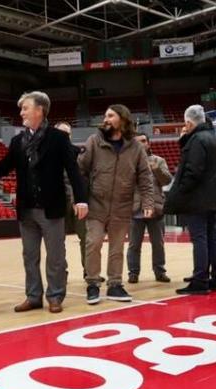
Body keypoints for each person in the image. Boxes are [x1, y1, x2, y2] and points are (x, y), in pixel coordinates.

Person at [0, 92, 88, 314]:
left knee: (55, 256)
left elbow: (73, 171)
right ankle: (33, 296)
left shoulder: (58, 138)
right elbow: (4, 166)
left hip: (51, 207)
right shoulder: (18, 141)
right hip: (26, 208)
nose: (21, 113)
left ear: (40, 110)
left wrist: (81, 199)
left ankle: (55, 295)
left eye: (25, 108)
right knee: (30, 255)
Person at [78, 104, 154, 305]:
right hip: (96, 204)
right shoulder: (94, 141)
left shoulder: (136, 147)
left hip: (122, 205)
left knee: (117, 248)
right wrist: (79, 200)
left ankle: (115, 285)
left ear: (122, 119)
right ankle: (93, 284)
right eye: (105, 115)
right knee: (93, 244)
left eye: (110, 115)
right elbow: (79, 172)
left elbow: (145, 177)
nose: (106, 119)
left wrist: (147, 202)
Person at [164, 105, 216, 295]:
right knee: (212, 238)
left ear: (189, 123)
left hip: (197, 197)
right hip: (213, 195)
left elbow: (193, 171)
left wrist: (181, 192)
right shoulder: (213, 137)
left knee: (199, 239)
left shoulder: (197, 140)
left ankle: (200, 280)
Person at [127, 133, 172, 284]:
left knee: (158, 243)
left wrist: (156, 170)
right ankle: (133, 273)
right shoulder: (128, 162)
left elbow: (167, 180)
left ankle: (160, 271)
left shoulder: (159, 161)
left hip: (155, 209)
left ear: (149, 143)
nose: (142, 144)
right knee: (134, 244)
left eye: (144, 141)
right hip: (135, 210)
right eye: (138, 141)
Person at [55, 121, 90, 279]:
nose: (64, 137)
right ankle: (62, 273)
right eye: (61, 134)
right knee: (57, 241)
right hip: (58, 202)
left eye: (67, 134)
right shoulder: (47, 155)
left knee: (86, 237)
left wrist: (78, 200)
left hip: (78, 201)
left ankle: (89, 271)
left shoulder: (79, 153)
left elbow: (82, 179)